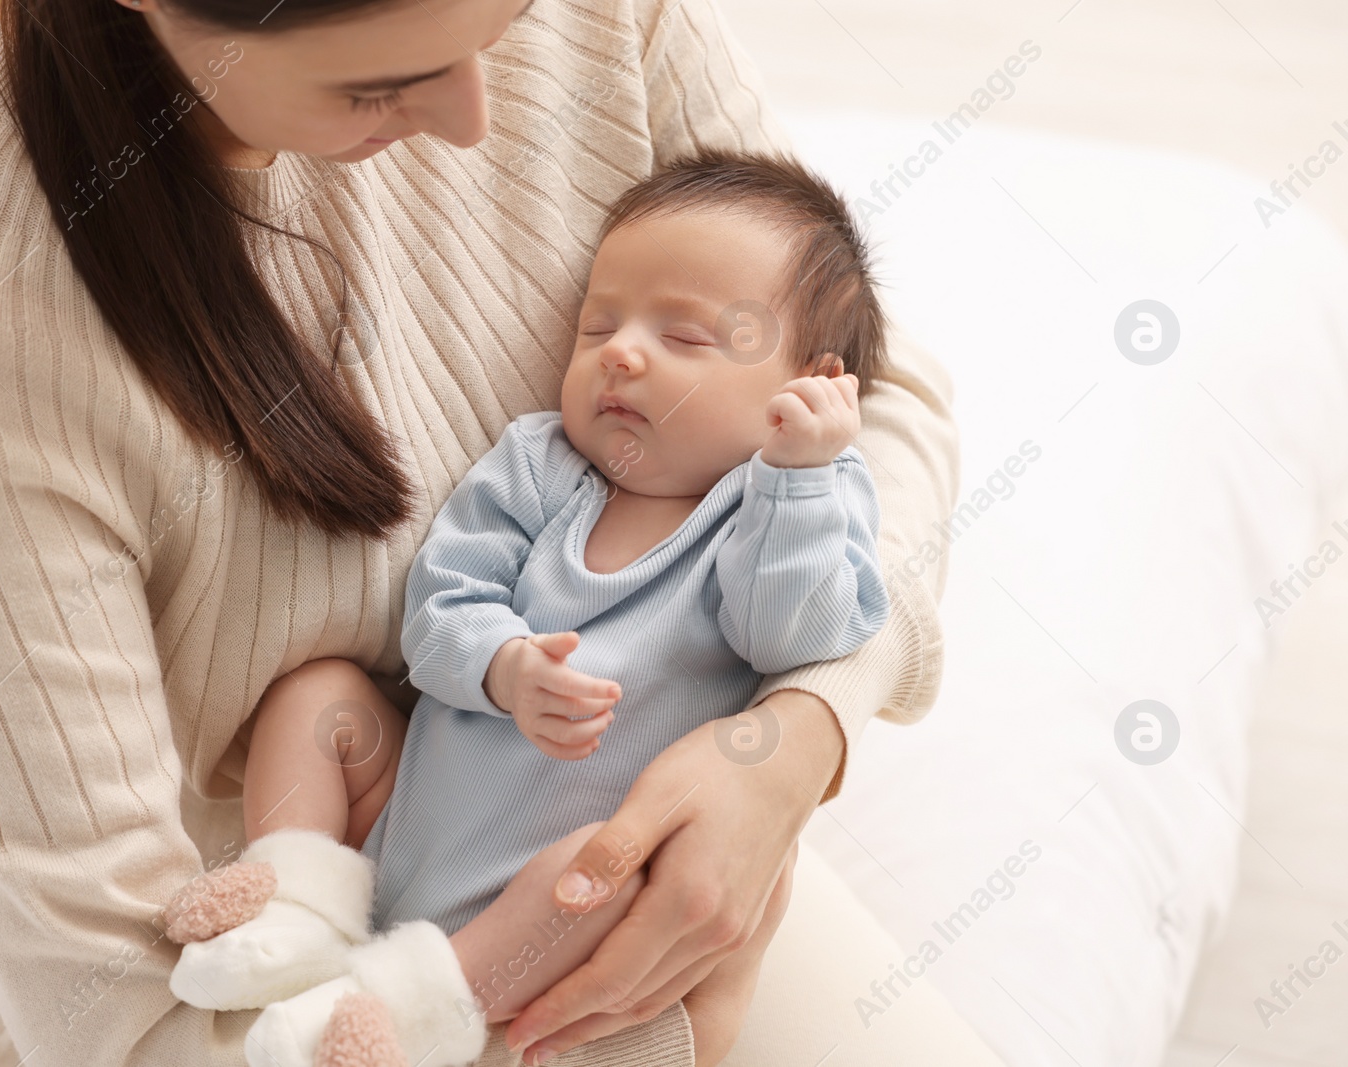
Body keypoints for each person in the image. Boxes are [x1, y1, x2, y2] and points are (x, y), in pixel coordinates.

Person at [0, 0, 1005, 1063]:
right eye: (381, 85)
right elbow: (109, 1002)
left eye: (502, 21)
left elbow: (877, 400)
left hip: (628, 858)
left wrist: (794, 743)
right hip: (239, 1012)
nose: (473, 119)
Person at [164, 150, 891, 1067]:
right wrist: (503, 667)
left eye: (686, 337)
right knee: (321, 696)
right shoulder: (542, 463)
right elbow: (439, 607)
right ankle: (297, 909)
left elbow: (797, 635)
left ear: (813, 383)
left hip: (547, 912)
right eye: (599, 325)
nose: (622, 352)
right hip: (400, 827)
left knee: (611, 867)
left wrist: (797, 478)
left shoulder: (796, 499)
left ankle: (407, 1012)